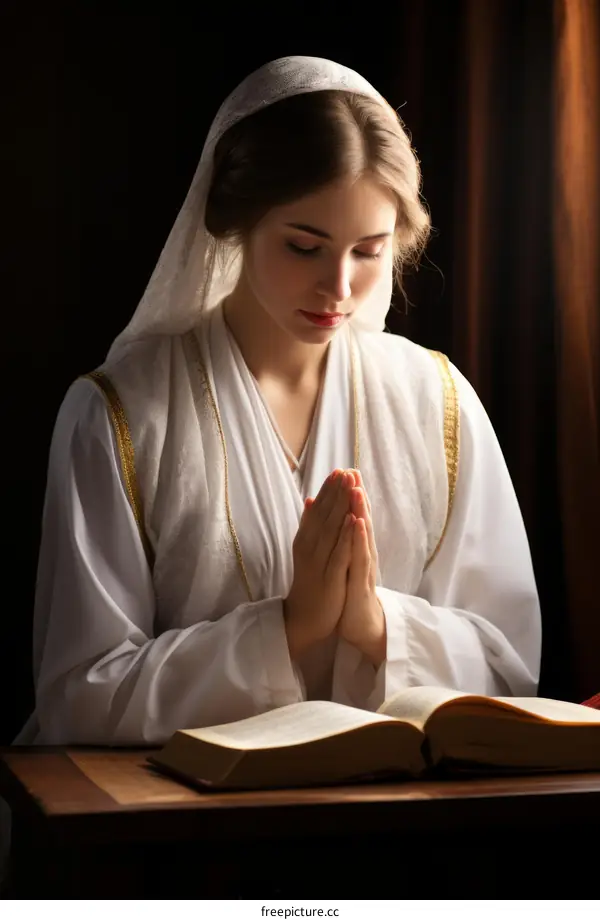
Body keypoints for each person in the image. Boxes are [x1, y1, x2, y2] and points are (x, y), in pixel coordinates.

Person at [16, 56, 541, 746]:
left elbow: (509, 665)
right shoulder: (120, 414)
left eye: (369, 251)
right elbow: (79, 693)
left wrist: (376, 624)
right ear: (235, 221)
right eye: (303, 246)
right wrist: (289, 629)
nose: (338, 288)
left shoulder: (436, 401)